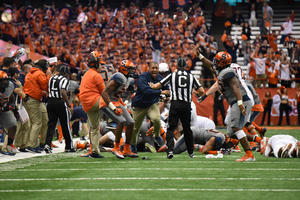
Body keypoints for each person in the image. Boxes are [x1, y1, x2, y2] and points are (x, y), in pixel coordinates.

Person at [194, 47, 261, 162]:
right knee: (232, 133)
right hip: (235, 102)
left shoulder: (228, 72)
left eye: (217, 61)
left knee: (236, 128)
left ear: (222, 63)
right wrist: (200, 56)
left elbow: (236, 87)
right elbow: (209, 65)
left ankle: (249, 155)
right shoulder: (222, 71)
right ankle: (260, 140)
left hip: (240, 100)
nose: (215, 62)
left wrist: (240, 103)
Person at [149, 57, 204, 159]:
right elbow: (201, 90)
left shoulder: (172, 75)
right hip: (186, 105)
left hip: (175, 104)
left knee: (170, 128)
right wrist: (196, 93)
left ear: (177, 66)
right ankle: (191, 152)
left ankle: (170, 151)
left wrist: (152, 86)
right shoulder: (191, 76)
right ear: (185, 66)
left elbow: (159, 85)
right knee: (187, 129)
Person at [100, 60, 138, 159]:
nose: (132, 71)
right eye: (130, 69)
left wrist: (124, 107)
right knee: (121, 121)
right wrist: (113, 108)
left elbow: (118, 96)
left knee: (130, 122)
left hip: (116, 102)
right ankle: (116, 148)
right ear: (124, 69)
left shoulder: (128, 79)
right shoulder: (118, 77)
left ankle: (126, 149)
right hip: (106, 103)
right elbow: (104, 93)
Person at [130, 62, 169, 153]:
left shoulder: (160, 78)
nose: (154, 70)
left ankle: (157, 136)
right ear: (149, 69)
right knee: (136, 127)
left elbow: (166, 90)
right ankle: (133, 145)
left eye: (156, 68)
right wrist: (161, 93)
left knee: (156, 119)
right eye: (153, 68)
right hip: (139, 105)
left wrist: (167, 96)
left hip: (152, 104)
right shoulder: (142, 77)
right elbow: (146, 91)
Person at [79, 51, 106, 158]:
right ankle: (120, 141)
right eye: (101, 64)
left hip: (86, 103)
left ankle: (94, 151)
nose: (102, 66)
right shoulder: (97, 75)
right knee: (115, 109)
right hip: (94, 100)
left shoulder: (87, 73)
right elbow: (104, 93)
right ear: (96, 65)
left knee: (94, 127)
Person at [22, 59, 53, 153]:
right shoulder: (40, 74)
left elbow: (34, 86)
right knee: (37, 123)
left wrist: (40, 92)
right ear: (45, 67)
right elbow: (46, 85)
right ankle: (31, 145)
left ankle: (35, 144)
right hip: (33, 100)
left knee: (35, 122)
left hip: (28, 99)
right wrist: (49, 76)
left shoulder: (29, 73)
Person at [44, 65, 76, 154]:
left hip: (50, 102)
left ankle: (47, 144)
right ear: (65, 73)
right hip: (60, 102)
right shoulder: (65, 80)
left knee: (51, 125)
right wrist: (69, 105)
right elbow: (62, 92)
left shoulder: (51, 78)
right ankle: (68, 146)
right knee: (65, 125)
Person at [0, 71, 18, 156]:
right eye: (2, 81)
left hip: (4, 110)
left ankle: (10, 144)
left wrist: (15, 109)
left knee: (13, 124)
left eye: (6, 80)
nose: (5, 82)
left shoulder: (10, 85)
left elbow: (11, 96)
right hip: (3, 108)